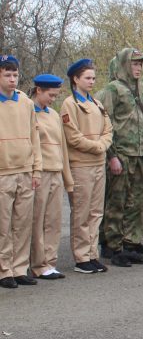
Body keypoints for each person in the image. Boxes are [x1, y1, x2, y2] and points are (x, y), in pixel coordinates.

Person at [96, 48, 143, 267]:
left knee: (138, 202)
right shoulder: (113, 89)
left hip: (139, 153)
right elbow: (104, 123)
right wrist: (111, 155)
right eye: (134, 64)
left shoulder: (141, 88)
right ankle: (113, 245)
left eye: (140, 64)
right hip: (121, 154)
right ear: (123, 65)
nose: (138, 68)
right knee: (116, 202)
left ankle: (131, 242)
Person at [61, 58, 114, 274]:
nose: (92, 81)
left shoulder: (97, 103)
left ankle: (93, 254)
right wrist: (97, 146)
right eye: (87, 78)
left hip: (98, 163)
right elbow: (73, 137)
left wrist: (103, 145)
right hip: (81, 165)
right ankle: (81, 257)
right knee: (81, 212)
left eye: (93, 78)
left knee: (95, 212)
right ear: (76, 79)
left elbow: (108, 130)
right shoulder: (70, 104)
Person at [0, 54, 42, 289]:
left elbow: (34, 136)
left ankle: (19, 268)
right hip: (3, 171)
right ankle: (4, 270)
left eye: (15, 75)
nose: (12, 79)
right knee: (3, 225)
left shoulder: (25, 102)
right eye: (7, 75)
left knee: (22, 223)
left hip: (25, 170)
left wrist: (36, 169)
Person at [29, 74, 74, 280]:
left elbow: (62, 148)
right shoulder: (29, 112)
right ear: (38, 90)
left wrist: (67, 178)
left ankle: (50, 262)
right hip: (40, 172)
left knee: (54, 220)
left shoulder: (54, 115)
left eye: (56, 95)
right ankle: (38, 264)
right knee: (37, 220)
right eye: (50, 95)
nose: (53, 99)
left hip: (56, 171)